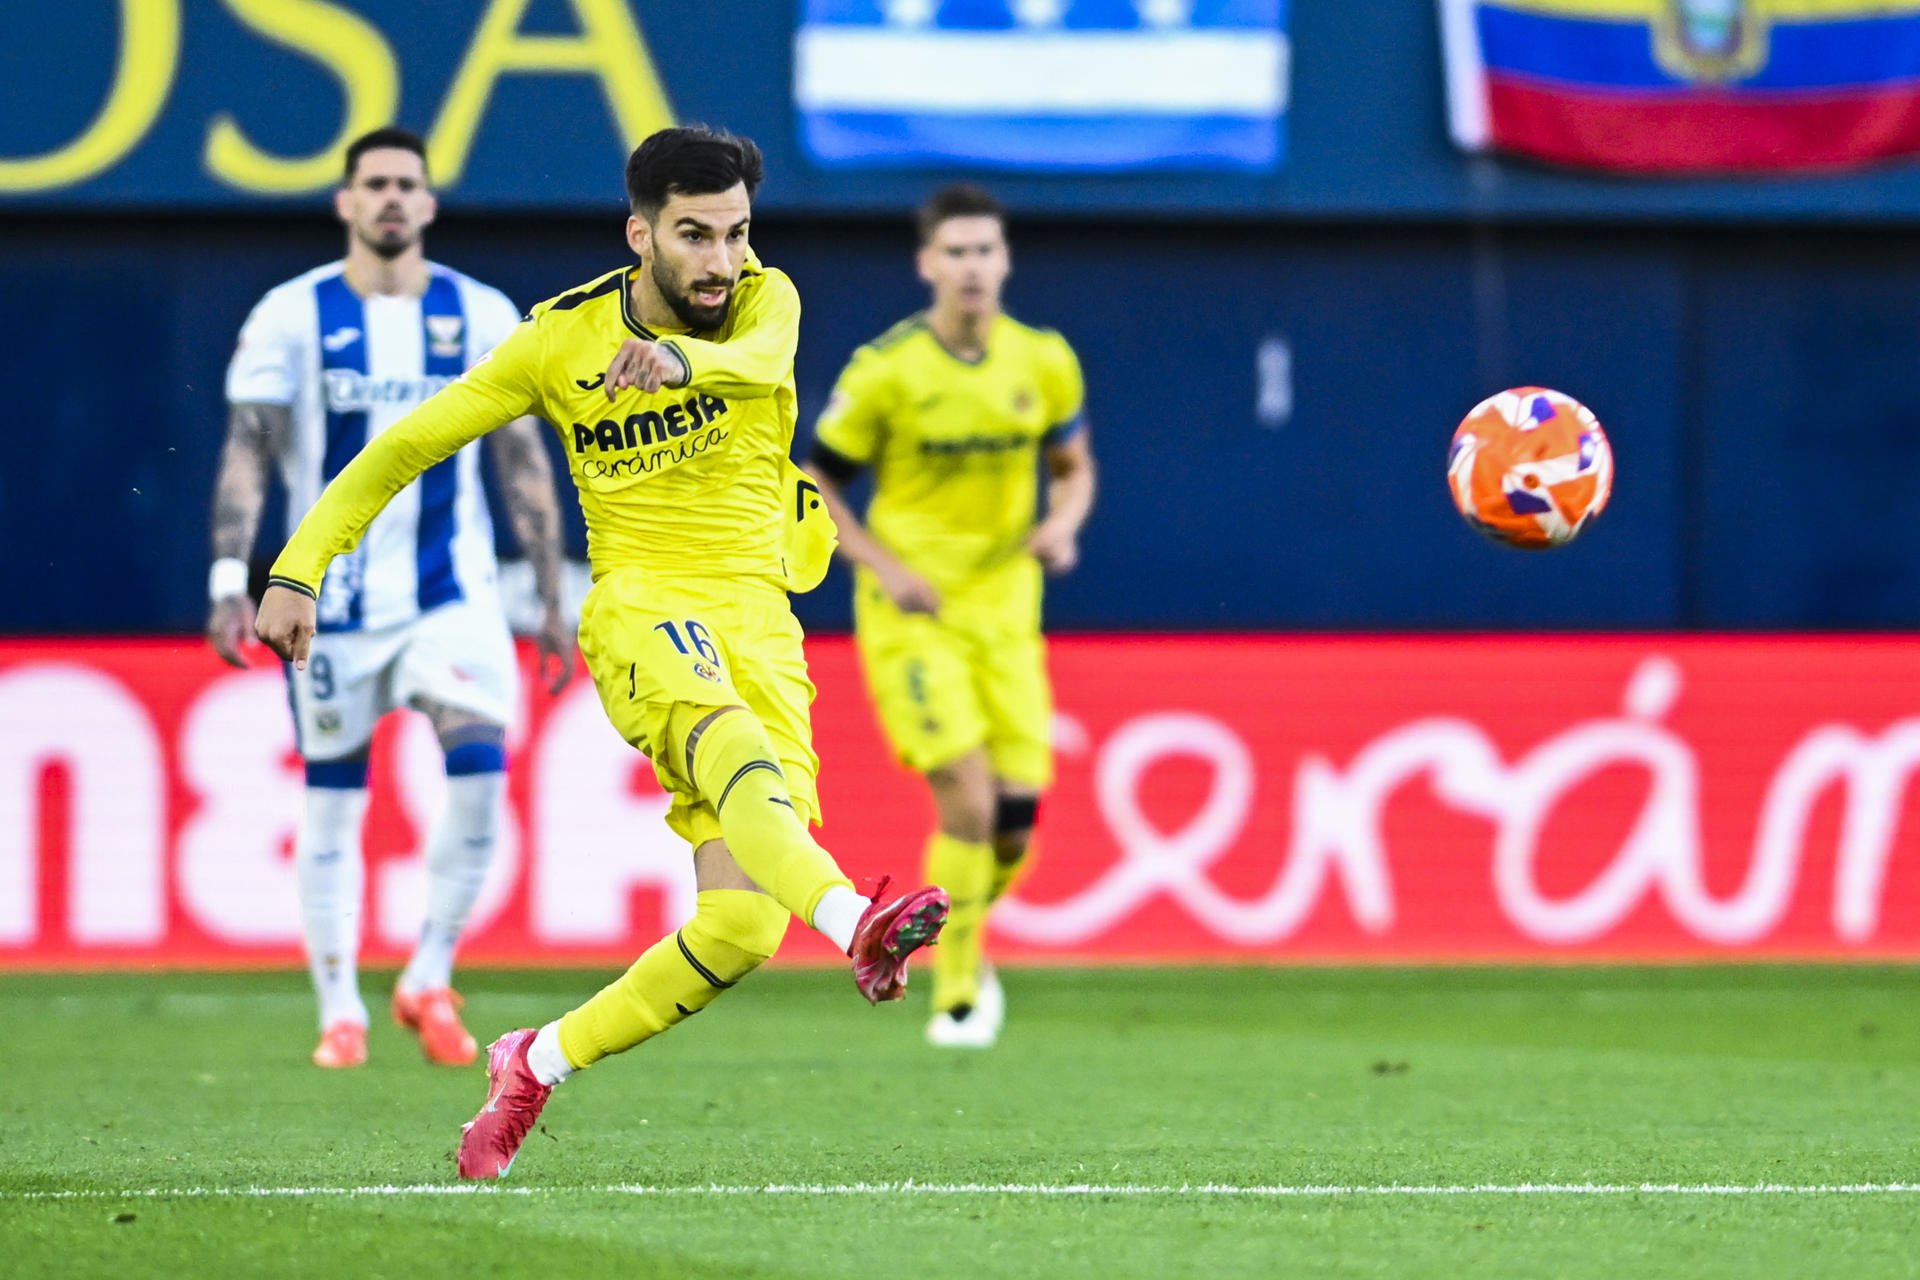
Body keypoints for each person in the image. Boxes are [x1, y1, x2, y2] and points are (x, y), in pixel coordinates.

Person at [251, 126, 949, 1179]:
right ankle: (857, 916)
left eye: (736, 234)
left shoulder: (769, 299)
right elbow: (405, 444)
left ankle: (535, 1056)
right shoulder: (557, 343)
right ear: (642, 234)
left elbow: (758, 359)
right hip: (642, 605)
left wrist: (679, 360)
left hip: (760, 615)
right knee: (733, 755)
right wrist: (300, 565)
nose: (722, 261)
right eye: (695, 236)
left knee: (742, 929)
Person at [207, 127, 573, 1071]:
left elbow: (521, 457)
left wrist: (548, 590)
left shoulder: (482, 312)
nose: (391, 199)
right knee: (334, 800)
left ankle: (427, 974)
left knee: (482, 763)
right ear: (344, 201)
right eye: (374, 184)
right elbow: (250, 449)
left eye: (408, 184)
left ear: (430, 202)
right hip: (331, 601)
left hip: (452, 592)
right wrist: (227, 578)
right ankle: (341, 1011)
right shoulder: (290, 315)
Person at [804, 184, 1096, 1049]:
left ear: (1005, 260)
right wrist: (884, 567)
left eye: (986, 251)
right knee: (965, 802)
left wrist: (1064, 525)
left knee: (1012, 829)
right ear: (927, 263)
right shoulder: (886, 371)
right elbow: (815, 480)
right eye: (956, 252)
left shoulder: (1042, 361)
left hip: (1008, 610)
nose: (972, 267)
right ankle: (958, 987)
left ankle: (961, 938)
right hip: (914, 613)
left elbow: (1074, 467)